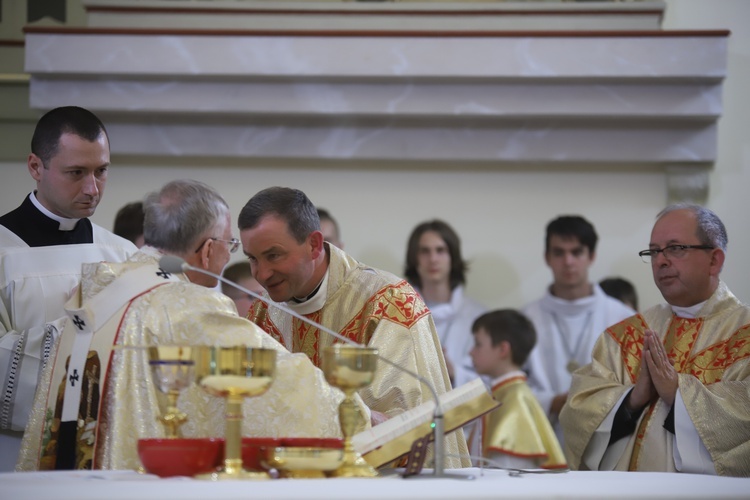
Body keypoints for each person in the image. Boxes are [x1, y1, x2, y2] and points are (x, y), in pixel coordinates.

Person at [17, 179, 364, 471]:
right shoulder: (186, 306)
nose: (230, 258)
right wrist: (357, 417)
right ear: (208, 250)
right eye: (230, 245)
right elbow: (284, 385)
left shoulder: (97, 288)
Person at [239, 187, 470, 469]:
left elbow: (404, 427)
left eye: (273, 256)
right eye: (252, 259)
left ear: (313, 244)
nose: (261, 274)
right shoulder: (263, 312)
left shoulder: (388, 303)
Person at [561, 204, 750, 476]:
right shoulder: (626, 335)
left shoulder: (743, 332)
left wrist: (679, 394)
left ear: (714, 260)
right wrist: (631, 400)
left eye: (675, 248)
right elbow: (576, 413)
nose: (660, 261)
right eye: (654, 251)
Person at [0, 106, 137, 471]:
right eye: (76, 173)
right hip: (14, 452)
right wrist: (86, 335)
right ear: (35, 167)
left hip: (103, 452)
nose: (92, 188)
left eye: (101, 171)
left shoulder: (124, 254)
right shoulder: (2, 252)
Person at [522, 215, 634, 446]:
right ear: (547, 258)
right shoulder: (525, 319)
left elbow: (633, 385)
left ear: (591, 256)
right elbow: (508, 383)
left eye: (577, 252)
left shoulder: (623, 319)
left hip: (604, 442)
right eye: (559, 253)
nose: (568, 261)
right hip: (541, 442)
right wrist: (551, 401)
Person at [468, 309, 566, 470]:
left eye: (478, 344)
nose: (470, 352)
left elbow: (509, 468)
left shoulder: (514, 399)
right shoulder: (502, 393)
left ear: (503, 349)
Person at [404, 219, 486, 389]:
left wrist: (454, 372)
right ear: (414, 258)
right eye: (424, 251)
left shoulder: (478, 316)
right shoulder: (399, 313)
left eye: (440, 250)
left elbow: (493, 383)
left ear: (452, 257)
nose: (433, 259)